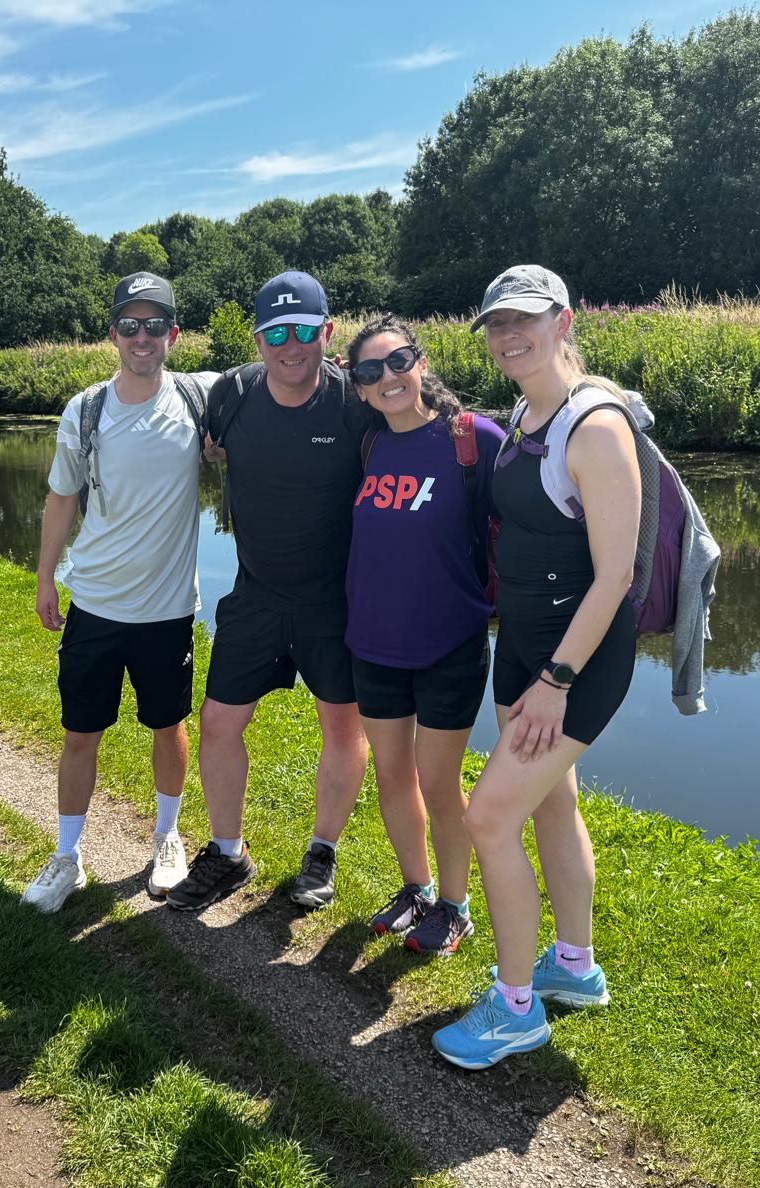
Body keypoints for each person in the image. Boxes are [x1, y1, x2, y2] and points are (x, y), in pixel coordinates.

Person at [431, 265, 638, 1069]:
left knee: (489, 818)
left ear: (564, 321)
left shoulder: (597, 428)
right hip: (521, 643)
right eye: (496, 323)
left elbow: (614, 577)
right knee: (552, 802)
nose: (509, 335)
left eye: (525, 318)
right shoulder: (525, 412)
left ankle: (516, 1009)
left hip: (573, 660)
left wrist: (556, 683)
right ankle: (574, 968)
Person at [166, 270, 375, 913]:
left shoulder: (355, 403)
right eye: (276, 334)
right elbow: (192, 429)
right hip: (255, 594)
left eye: (304, 331)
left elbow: (423, 419)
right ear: (258, 340)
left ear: (327, 332)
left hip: (335, 600)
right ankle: (228, 853)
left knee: (342, 725)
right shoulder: (231, 394)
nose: (291, 347)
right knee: (219, 722)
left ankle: (322, 852)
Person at [24, 272, 220, 912]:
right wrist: (45, 575)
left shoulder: (199, 398)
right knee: (80, 734)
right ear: (113, 334)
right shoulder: (84, 410)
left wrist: (336, 372)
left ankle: (167, 839)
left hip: (167, 611)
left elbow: (279, 380)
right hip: (94, 605)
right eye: (130, 326)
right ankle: (67, 856)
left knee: (169, 726)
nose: (143, 337)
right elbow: (61, 498)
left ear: (174, 334)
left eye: (154, 325)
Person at [343, 315, 503, 954]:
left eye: (399, 361)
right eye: (370, 370)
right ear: (359, 388)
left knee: (438, 782)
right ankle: (417, 888)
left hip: (449, 644)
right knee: (392, 776)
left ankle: (455, 907)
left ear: (422, 363)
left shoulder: (473, 440)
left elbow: (528, 519)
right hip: (374, 642)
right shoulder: (368, 445)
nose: (388, 377)